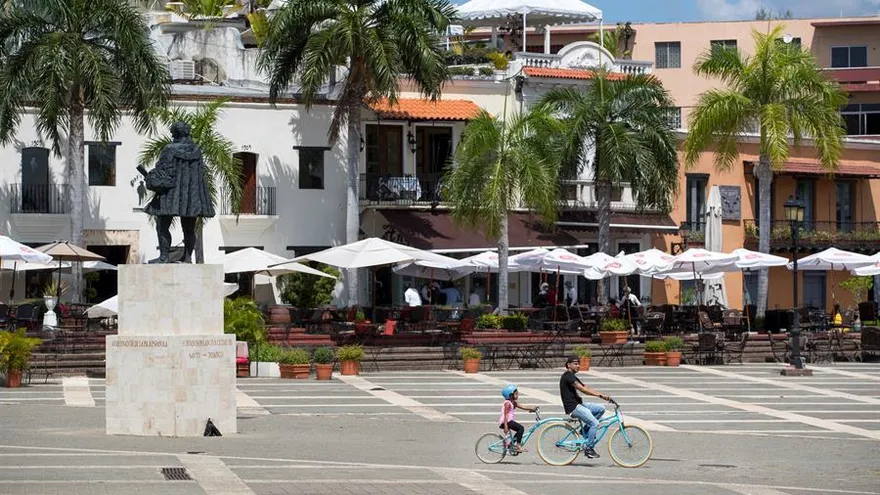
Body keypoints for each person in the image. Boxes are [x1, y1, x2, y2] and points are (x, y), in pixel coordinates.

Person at [142, 122, 215, 264]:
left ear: (175, 133)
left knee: (162, 225)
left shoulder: (169, 149)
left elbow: (163, 171)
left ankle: (164, 257)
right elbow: (200, 173)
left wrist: (151, 177)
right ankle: (187, 258)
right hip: (191, 196)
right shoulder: (197, 150)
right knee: (189, 228)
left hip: (171, 195)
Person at [559, 355, 613, 459]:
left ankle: (585, 430)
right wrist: (600, 395)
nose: (578, 366)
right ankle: (589, 448)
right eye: (575, 364)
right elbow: (583, 390)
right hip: (573, 408)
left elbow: (585, 387)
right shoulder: (567, 376)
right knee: (595, 423)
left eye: (578, 363)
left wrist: (603, 395)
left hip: (579, 404)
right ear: (568, 365)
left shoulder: (572, 375)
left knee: (600, 409)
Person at [499, 384, 536, 453]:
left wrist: (532, 408)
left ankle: (511, 444)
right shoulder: (507, 403)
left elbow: (522, 406)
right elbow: (505, 415)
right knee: (520, 428)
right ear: (510, 395)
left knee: (519, 429)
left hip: (509, 421)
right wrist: (506, 427)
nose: (517, 395)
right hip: (506, 421)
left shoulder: (513, 402)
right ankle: (518, 446)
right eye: (516, 394)